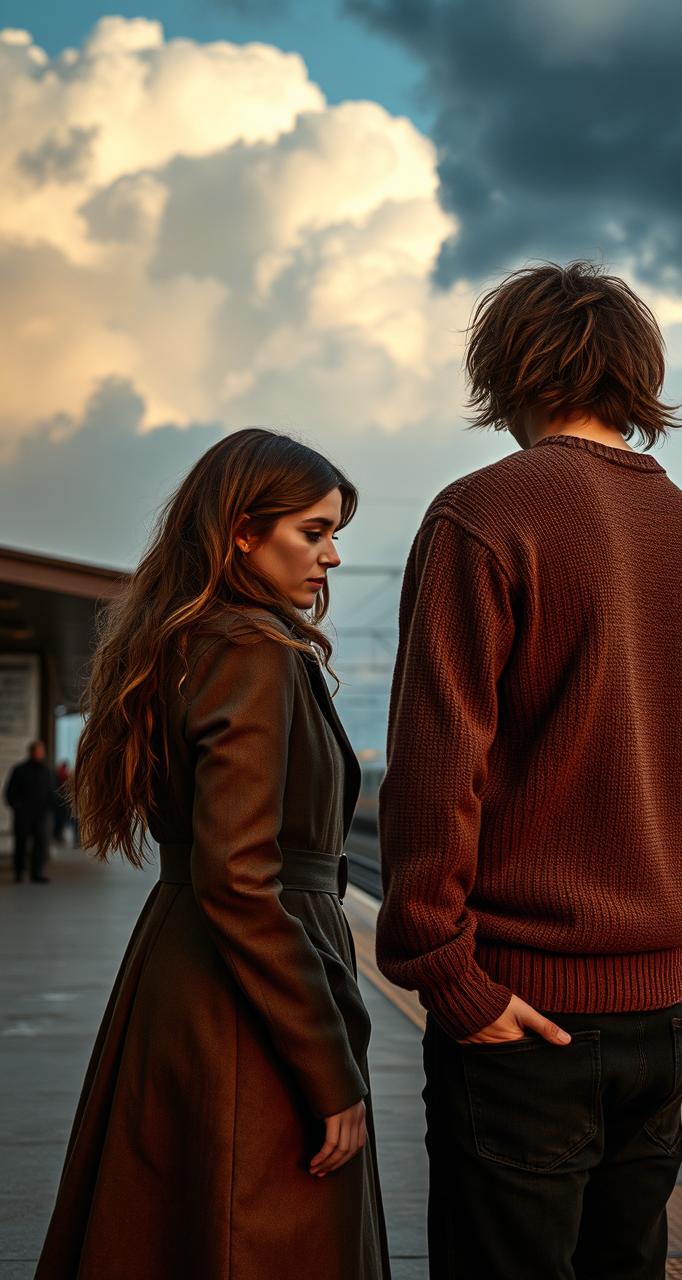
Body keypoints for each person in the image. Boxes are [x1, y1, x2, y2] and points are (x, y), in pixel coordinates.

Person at [376, 261, 682, 1279]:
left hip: (518, 1011)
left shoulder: (483, 512)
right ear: (634, 372)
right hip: (657, 1010)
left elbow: (439, 762)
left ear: (508, 370)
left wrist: (448, 975)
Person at [36, 430, 390, 1280]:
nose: (333, 557)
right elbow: (239, 876)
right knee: (260, 1237)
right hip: (251, 995)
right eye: (313, 531)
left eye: (334, 533)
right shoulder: (249, 649)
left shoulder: (201, 638)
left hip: (196, 976)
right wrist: (329, 1064)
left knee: (183, 1230)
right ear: (240, 529)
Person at [4, 740, 54, 883]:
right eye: (37, 750)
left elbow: (50, 793)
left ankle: (36, 873)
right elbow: (9, 793)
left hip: (40, 815)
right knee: (21, 843)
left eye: (41, 750)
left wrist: (50, 808)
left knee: (39, 844)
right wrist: (17, 807)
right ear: (31, 752)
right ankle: (19, 873)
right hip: (23, 815)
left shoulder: (46, 771)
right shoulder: (19, 770)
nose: (40, 753)